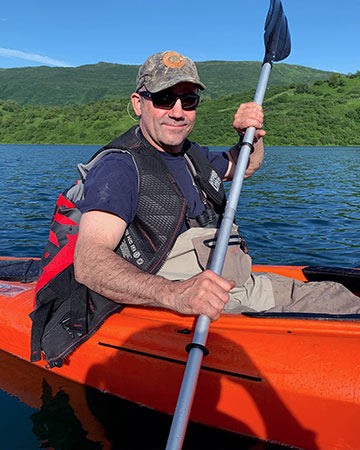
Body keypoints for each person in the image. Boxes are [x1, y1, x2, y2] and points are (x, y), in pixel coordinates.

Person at [30, 51, 359, 368]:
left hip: (237, 283)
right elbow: (89, 263)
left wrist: (252, 136)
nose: (178, 111)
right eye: (163, 99)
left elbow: (244, 166)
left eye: (188, 100)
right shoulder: (120, 168)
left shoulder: (191, 155)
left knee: (338, 294)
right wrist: (174, 294)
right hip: (195, 305)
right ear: (138, 103)